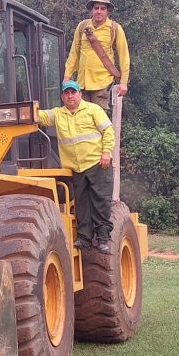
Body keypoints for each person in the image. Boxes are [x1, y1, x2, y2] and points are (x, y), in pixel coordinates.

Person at [38, 79, 115, 254]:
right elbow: (39, 115)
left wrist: (106, 153)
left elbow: (108, 131)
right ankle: (85, 239)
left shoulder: (93, 110)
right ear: (62, 97)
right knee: (82, 204)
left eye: (73, 92)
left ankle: (103, 239)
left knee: (100, 201)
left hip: (97, 163)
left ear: (80, 94)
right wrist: (22, 111)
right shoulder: (58, 114)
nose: (70, 96)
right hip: (76, 168)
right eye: (67, 93)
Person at [64, 0, 130, 111]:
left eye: (102, 8)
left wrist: (123, 82)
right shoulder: (82, 26)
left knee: (98, 121)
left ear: (107, 11)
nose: (99, 11)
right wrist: (67, 76)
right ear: (91, 10)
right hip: (82, 83)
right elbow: (74, 53)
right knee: (81, 120)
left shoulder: (114, 28)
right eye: (96, 8)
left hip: (102, 83)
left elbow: (124, 56)